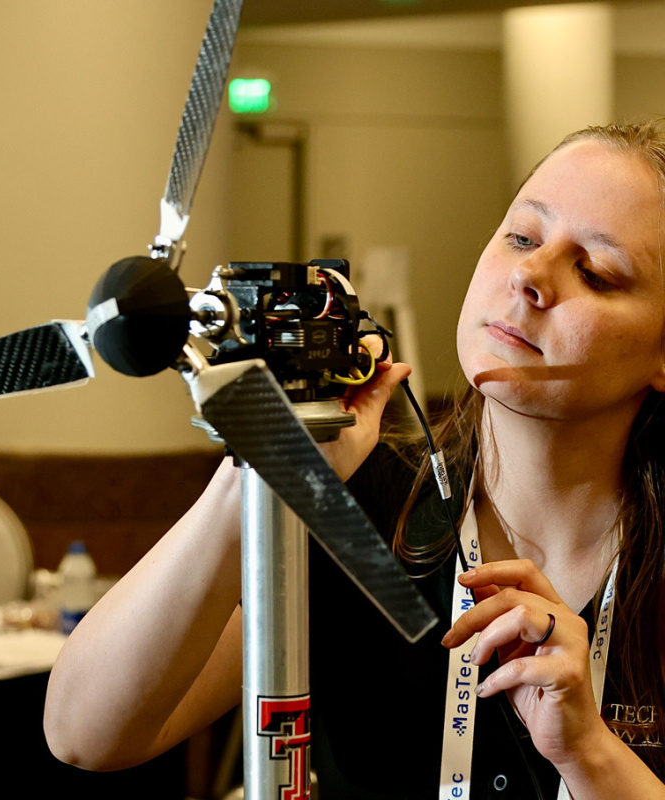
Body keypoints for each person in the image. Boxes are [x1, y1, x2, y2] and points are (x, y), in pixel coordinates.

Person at [43, 121, 665, 799]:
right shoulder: (360, 511)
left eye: (596, 273)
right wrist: (265, 467)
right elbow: (85, 733)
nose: (530, 276)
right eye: (522, 237)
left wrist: (589, 755)